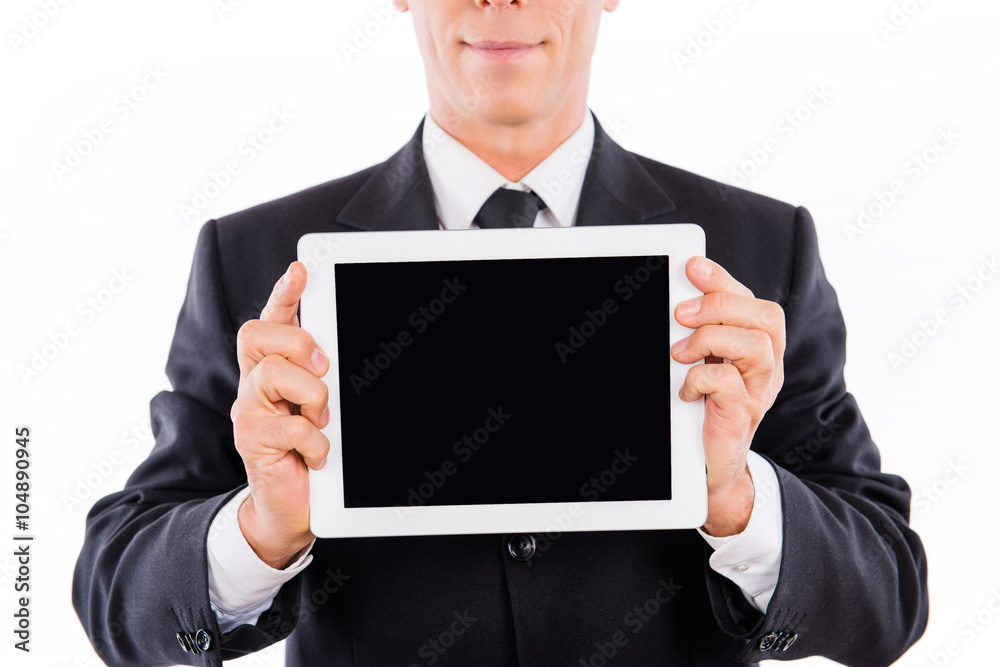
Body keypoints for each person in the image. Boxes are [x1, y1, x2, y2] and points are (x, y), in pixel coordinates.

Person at [73, 1, 928, 665]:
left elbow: (887, 598)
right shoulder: (256, 260)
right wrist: (263, 526)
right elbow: (120, 597)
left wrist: (739, 497)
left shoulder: (755, 252)